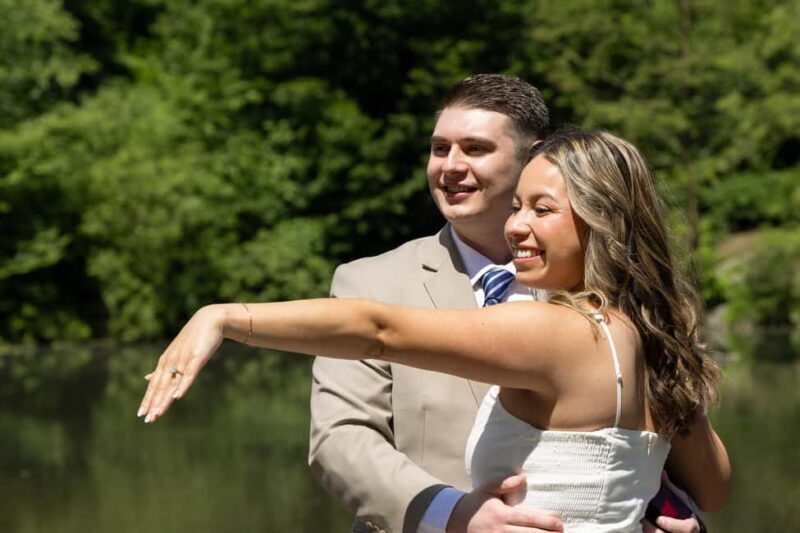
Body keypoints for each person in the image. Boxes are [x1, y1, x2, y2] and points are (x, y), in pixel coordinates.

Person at [138, 130, 731, 532]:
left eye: (542, 210)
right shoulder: (654, 339)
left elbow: (378, 329)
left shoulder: (556, 331)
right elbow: (714, 488)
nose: (518, 226)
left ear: (604, 220)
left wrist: (226, 316)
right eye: (518, 206)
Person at [308, 74, 705, 533]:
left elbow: (663, 450)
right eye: (439, 149)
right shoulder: (368, 281)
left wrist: (663, 512)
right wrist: (451, 514)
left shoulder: (617, 297)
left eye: (475, 149)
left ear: (532, 156)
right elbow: (340, 438)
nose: (450, 166)